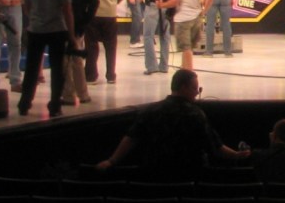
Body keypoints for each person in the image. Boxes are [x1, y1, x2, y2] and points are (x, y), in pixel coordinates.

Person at [96, 69, 249, 180]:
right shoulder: (195, 115)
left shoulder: (151, 111)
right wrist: (236, 156)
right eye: (196, 89)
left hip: (154, 175)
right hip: (190, 175)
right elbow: (215, 147)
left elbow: (131, 138)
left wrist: (111, 161)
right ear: (183, 88)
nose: (197, 93)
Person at [18, 0, 75, 117]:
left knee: (32, 67)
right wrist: (71, 35)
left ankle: (24, 103)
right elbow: (67, 11)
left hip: (35, 29)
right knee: (58, 69)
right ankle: (55, 104)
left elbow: (27, 7)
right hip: (57, 29)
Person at [57, 0, 98, 107]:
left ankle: (68, 95)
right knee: (77, 61)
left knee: (64, 62)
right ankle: (83, 94)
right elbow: (94, 1)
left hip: (61, 26)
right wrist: (86, 20)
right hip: (79, 26)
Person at [85, 0, 120, 85]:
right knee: (111, 46)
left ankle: (91, 75)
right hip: (110, 12)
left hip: (93, 13)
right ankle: (110, 75)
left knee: (91, 45)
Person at [162, 0, 203, 71]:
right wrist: (204, 11)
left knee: (186, 48)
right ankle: (184, 68)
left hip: (183, 19)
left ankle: (189, 72)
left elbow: (174, 1)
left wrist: (162, 5)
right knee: (189, 47)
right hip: (196, 19)